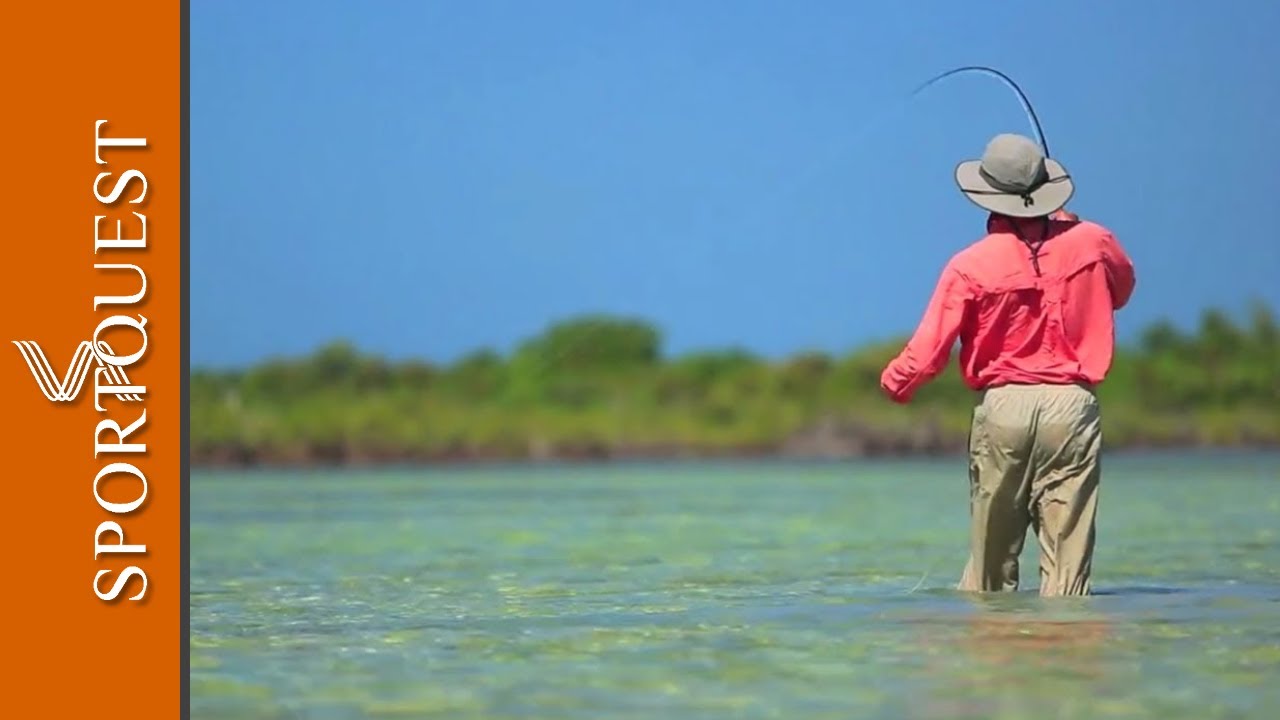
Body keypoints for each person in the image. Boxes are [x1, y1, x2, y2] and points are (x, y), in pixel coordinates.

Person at [878, 133, 1136, 597]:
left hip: (1003, 408)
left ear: (988, 195)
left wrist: (895, 384)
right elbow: (1122, 291)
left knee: (990, 568)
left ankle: (991, 640)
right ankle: (1069, 638)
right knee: (1068, 568)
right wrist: (1071, 233)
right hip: (1072, 407)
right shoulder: (1094, 240)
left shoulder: (969, 264)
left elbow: (928, 351)